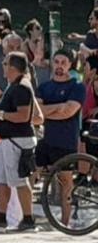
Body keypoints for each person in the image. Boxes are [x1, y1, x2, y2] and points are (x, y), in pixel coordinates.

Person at [0, 51, 39, 231]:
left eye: (6, 63)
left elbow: (23, 116)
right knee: (0, 179)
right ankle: (1, 215)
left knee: (19, 180)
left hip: (17, 140)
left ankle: (28, 218)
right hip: (5, 139)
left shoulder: (22, 86)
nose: (3, 66)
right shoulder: (12, 86)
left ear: (13, 67)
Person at [37, 49, 87, 227]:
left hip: (66, 140)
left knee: (66, 180)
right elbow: (38, 112)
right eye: (56, 62)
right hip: (46, 139)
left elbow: (70, 111)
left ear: (70, 65)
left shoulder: (77, 86)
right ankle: (27, 218)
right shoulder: (44, 86)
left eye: (63, 63)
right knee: (31, 174)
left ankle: (65, 222)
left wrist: (49, 111)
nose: (59, 66)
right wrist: (58, 108)